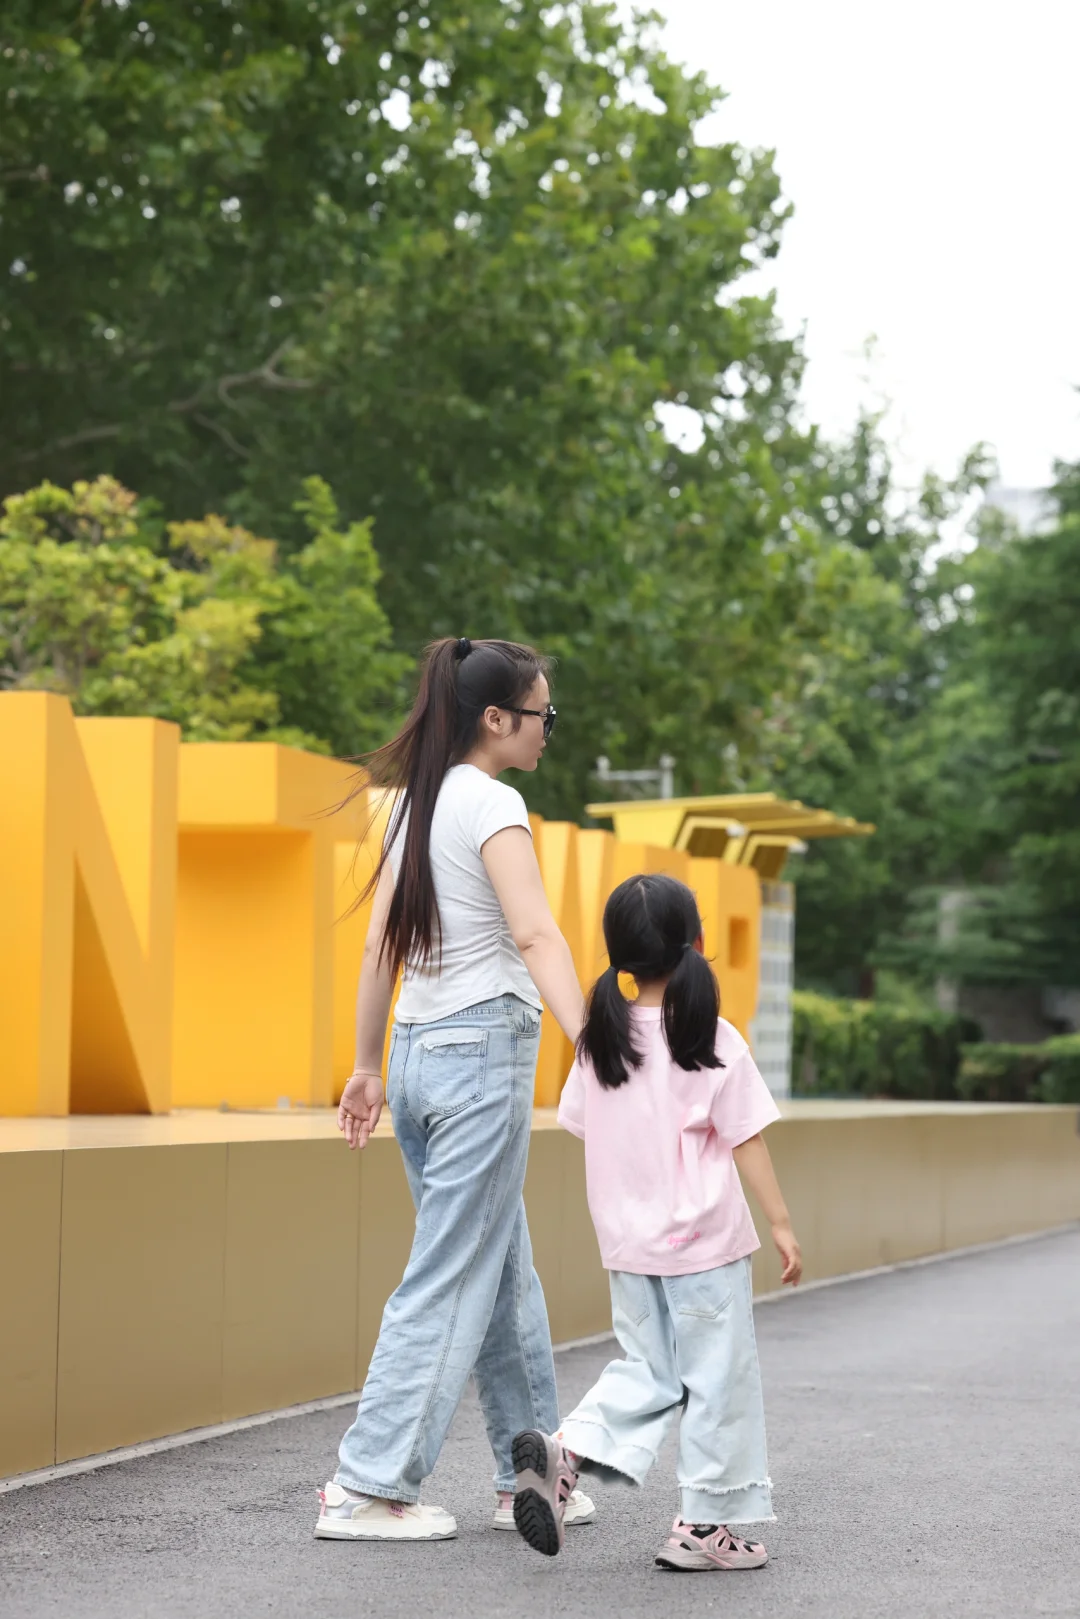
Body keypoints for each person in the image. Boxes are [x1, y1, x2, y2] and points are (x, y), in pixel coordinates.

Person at [315, 637, 596, 1542]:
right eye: (544, 715)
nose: (549, 729)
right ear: (497, 718)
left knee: (500, 1266)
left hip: (415, 1050)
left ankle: (533, 1474)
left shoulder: (414, 803)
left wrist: (366, 1068)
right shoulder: (492, 802)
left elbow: (379, 946)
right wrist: (596, 1043)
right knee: (450, 1271)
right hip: (480, 1052)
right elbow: (537, 934)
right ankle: (368, 1485)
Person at [510, 872, 802, 1571]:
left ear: (618, 955)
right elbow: (747, 1139)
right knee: (717, 1382)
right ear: (695, 943)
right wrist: (782, 1224)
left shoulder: (599, 1043)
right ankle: (704, 1526)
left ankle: (568, 1449)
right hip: (704, 1245)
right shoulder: (712, 1038)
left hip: (628, 1245)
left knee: (649, 1369)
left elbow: (586, 1125)